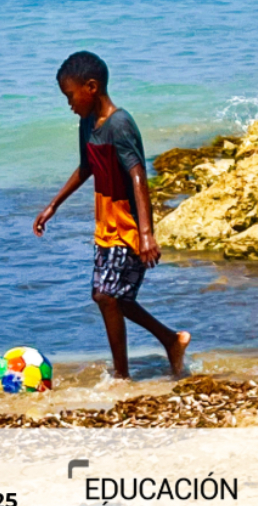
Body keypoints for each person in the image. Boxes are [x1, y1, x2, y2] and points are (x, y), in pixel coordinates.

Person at [33, 51, 190, 379]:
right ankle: (171, 340)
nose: (69, 104)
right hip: (105, 224)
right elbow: (86, 166)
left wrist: (146, 233)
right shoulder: (87, 122)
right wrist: (53, 206)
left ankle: (122, 375)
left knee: (106, 295)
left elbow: (137, 175)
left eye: (70, 95)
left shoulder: (120, 124)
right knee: (113, 297)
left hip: (129, 225)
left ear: (91, 87)